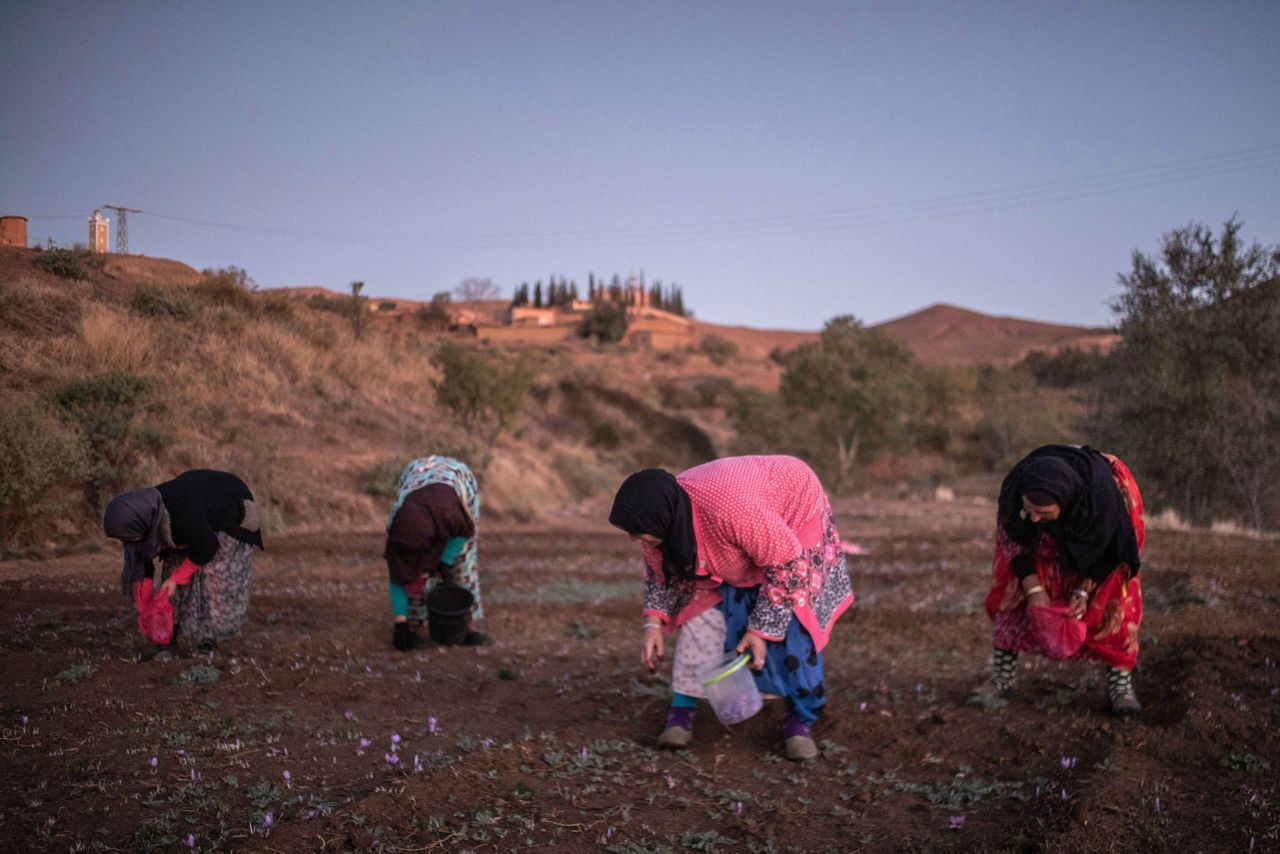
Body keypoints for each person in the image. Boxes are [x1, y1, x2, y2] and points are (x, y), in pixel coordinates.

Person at [609, 455, 854, 761]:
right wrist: (653, 623)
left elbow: (787, 565)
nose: (634, 538)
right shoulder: (664, 514)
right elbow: (659, 572)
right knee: (703, 612)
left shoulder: (732, 512)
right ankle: (681, 712)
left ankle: (797, 721)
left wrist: (760, 632)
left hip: (794, 514)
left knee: (793, 626)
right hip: (747, 529)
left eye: (637, 531)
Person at [972, 444, 1145, 715]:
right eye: (1029, 511)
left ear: (1066, 502)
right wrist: (1033, 587)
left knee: (1113, 609)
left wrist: (1085, 589)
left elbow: (1117, 550)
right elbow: (1012, 535)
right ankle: (1002, 678)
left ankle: (1120, 688)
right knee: (1010, 596)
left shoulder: (1106, 500)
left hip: (1098, 547)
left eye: (1044, 513)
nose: (1035, 518)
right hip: (1039, 546)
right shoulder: (1018, 487)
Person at [104, 469, 264, 658]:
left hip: (229, 512)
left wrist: (176, 579)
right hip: (195, 514)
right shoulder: (142, 517)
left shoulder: (180, 514)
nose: (128, 541)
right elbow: (141, 562)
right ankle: (169, 638)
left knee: (214, 580)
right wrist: (147, 607)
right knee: (173, 568)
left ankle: (208, 640)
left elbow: (207, 546)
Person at [384, 455, 487, 650]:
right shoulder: (396, 523)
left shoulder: (451, 512)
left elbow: (466, 531)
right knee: (409, 571)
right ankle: (410, 626)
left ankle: (468, 626)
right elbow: (398, 572)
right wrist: (400, 625)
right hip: (416, 474)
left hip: (456, 479)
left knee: (463, 560)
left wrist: (445, 560)